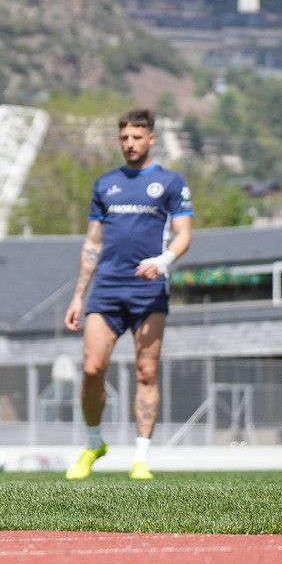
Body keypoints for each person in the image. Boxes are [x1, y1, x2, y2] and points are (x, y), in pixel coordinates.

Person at [64, 108, 192, 482]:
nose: (129, 144)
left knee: (146, 371)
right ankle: (93, 444)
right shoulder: (105, 184)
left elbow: (184, 234)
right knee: (91, 368)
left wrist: (163, 261)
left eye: (136, 138)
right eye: (124, 138)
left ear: (151, 138)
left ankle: (141, 457)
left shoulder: (170, 182)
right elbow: (92, 243)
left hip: (149, 289)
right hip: (106, 287)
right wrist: (77, 296)